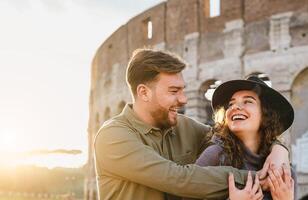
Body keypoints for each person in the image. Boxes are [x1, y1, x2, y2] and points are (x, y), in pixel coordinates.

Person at [94, 48, 290, 200]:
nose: (183, 99)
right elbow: (178, 178)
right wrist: (256, 179)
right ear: (144, 92)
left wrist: (279, 149)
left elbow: (235, 133)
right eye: (173, 91)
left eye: (183, 90)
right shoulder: (113, 136)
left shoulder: (184, 126)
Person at [194, 76, 295, 200]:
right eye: (231, 104)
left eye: (248, 101)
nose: (235, 107)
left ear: (265, 115)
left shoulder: (284, 170)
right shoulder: (215, 156)